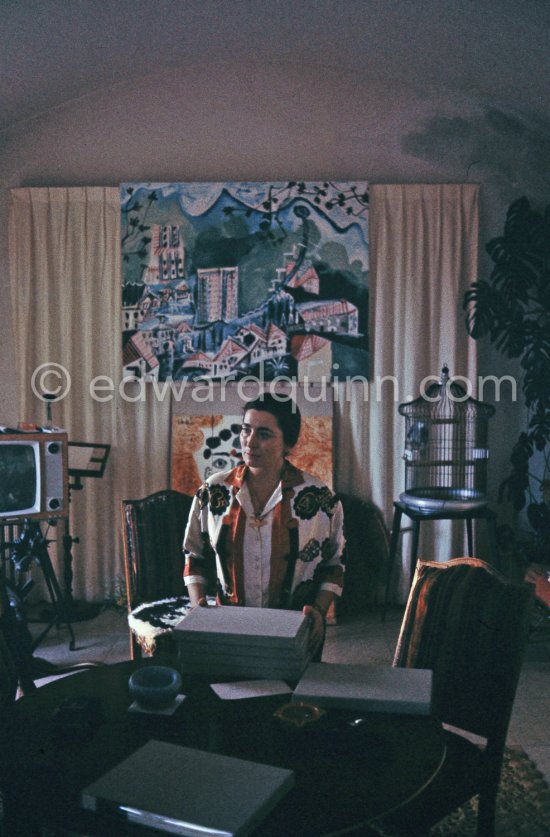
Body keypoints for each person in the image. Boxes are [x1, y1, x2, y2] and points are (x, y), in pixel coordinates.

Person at [183, 393, 345, 657]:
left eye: (264, 434)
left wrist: (318, 610)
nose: (250, 442)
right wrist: (198, 606)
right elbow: (194, 555)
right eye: (246, 430)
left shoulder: (318, 499)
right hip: (227, 628)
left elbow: (334, 565)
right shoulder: (214, 492)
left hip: (294, 629)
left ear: (288, 444)